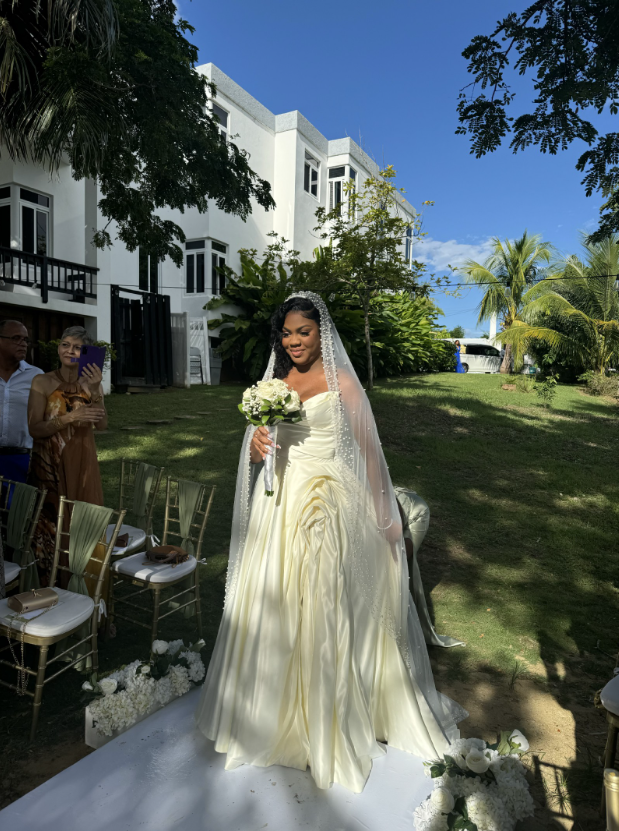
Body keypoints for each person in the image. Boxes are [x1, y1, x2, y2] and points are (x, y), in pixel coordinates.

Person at [196, 292, 465, 793]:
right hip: (277, 505)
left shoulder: (343, 384)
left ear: (322, 334)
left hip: (326, 502)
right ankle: (268, 717)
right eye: (287, 333)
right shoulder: (273, 383)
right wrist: (256, 443)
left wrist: (388, 521)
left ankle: (326, 720)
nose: (295, 341)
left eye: (304, 332)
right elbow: (260, 448)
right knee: (271, 602)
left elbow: (370, 456)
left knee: (323, 602)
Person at [28, 326, 106, 586]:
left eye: (77, 347)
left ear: (85, 353)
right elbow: (34, 429)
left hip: (83, 462)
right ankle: (53, 592)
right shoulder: (42, 381)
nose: (69, 350)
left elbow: (102, 424)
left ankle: (88, 594)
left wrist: (95, 390)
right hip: (50, 463)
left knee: (86, 524)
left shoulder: (91, 383)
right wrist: (71, 417)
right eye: (65, 344)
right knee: (53, 524)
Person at [0, 320, 43, 482]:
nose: (23, 344)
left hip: (23, 460)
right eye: (16, 338)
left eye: (25, 340)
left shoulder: (36, 377)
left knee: (19, 507)